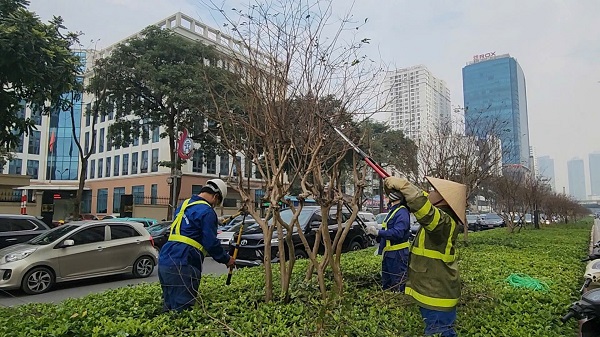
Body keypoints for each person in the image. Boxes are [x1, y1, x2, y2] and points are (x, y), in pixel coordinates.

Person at [384, 175, 466, 337]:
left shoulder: (444, 221)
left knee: (440, 332)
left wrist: (406, 186)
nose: (429, 192)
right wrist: (397, 187)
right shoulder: (442, 218)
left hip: (436, 295)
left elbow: (423, 207)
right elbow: (419, 200)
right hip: (433, 292)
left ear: (443, 199)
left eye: (435, 191)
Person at [158, 179, 235, 312]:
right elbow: (211, 243)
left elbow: (190, 226)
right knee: (183, 309)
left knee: (169, 305)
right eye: (217, 203)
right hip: (184, 261)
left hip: (166, 258)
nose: (215, 206)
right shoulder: (208, 212)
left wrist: (214, 221)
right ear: (216, 197)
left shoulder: (184, 205)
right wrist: (227, 259)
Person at [365, 190, 411, 292]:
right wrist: (375, 234)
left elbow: (398, 233)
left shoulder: (402, 212)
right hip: (389, 254)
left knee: (398, 284)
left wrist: (378, 233)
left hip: (398, 255)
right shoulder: (394, 211)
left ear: (393, 198)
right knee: (387, 284)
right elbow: (388, 230)